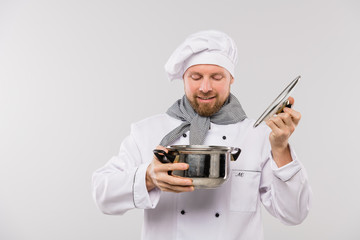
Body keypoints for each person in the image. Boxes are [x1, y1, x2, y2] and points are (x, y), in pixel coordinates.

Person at [92, 30, 311, 240]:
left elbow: (294, 214)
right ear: (183, 78)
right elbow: (102, 194)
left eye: (216, 77)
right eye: (196, 77)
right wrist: (148, 178)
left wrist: (281, 149)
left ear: (231, 78)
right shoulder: (147, 132)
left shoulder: (258, 135)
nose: (205, 87)